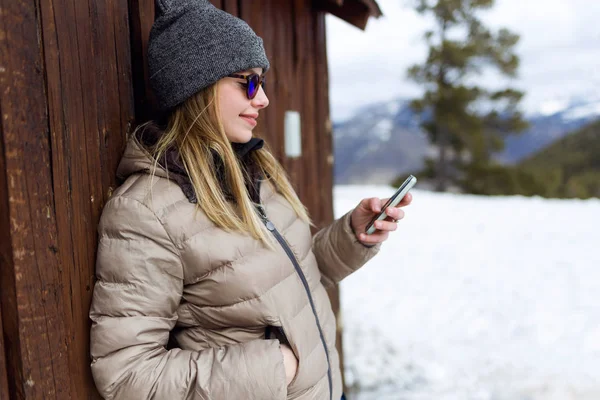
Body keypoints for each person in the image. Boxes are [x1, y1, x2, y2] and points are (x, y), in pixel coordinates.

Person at [88, 1, 412, 399]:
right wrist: (275, 369)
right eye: (249, 82)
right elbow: (127, 375)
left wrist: (351, 237)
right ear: (197, 85)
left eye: (263, 83)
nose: (263, 100)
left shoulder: (255, 173)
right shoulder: (145, 210)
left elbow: (288, 281)